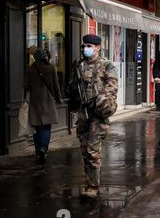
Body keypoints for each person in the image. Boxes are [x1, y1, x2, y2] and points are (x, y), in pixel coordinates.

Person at [69, 34, 118, 199]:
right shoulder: (80, 66)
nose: (86, 49)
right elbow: (74, 87)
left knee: (92, 151)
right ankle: (90, 181)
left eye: (89, 46)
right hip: (83, 115)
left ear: (97, 47)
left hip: (97, 114)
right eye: (84, 46)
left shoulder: (107, 65)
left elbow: (112, 88)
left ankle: (93, 186)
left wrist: (98, 101)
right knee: (84, 150)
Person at [24, 49, 62, 163]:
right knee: (46, 127)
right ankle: (43, 149)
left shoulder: (30, 69)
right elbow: (56, 85)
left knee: (36, 127)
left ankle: (37, 150)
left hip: (35, 101)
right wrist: (59, 98)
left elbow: (25, 86)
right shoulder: (51, 68)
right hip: (48, 101)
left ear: (35, 58)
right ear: (45, 57)